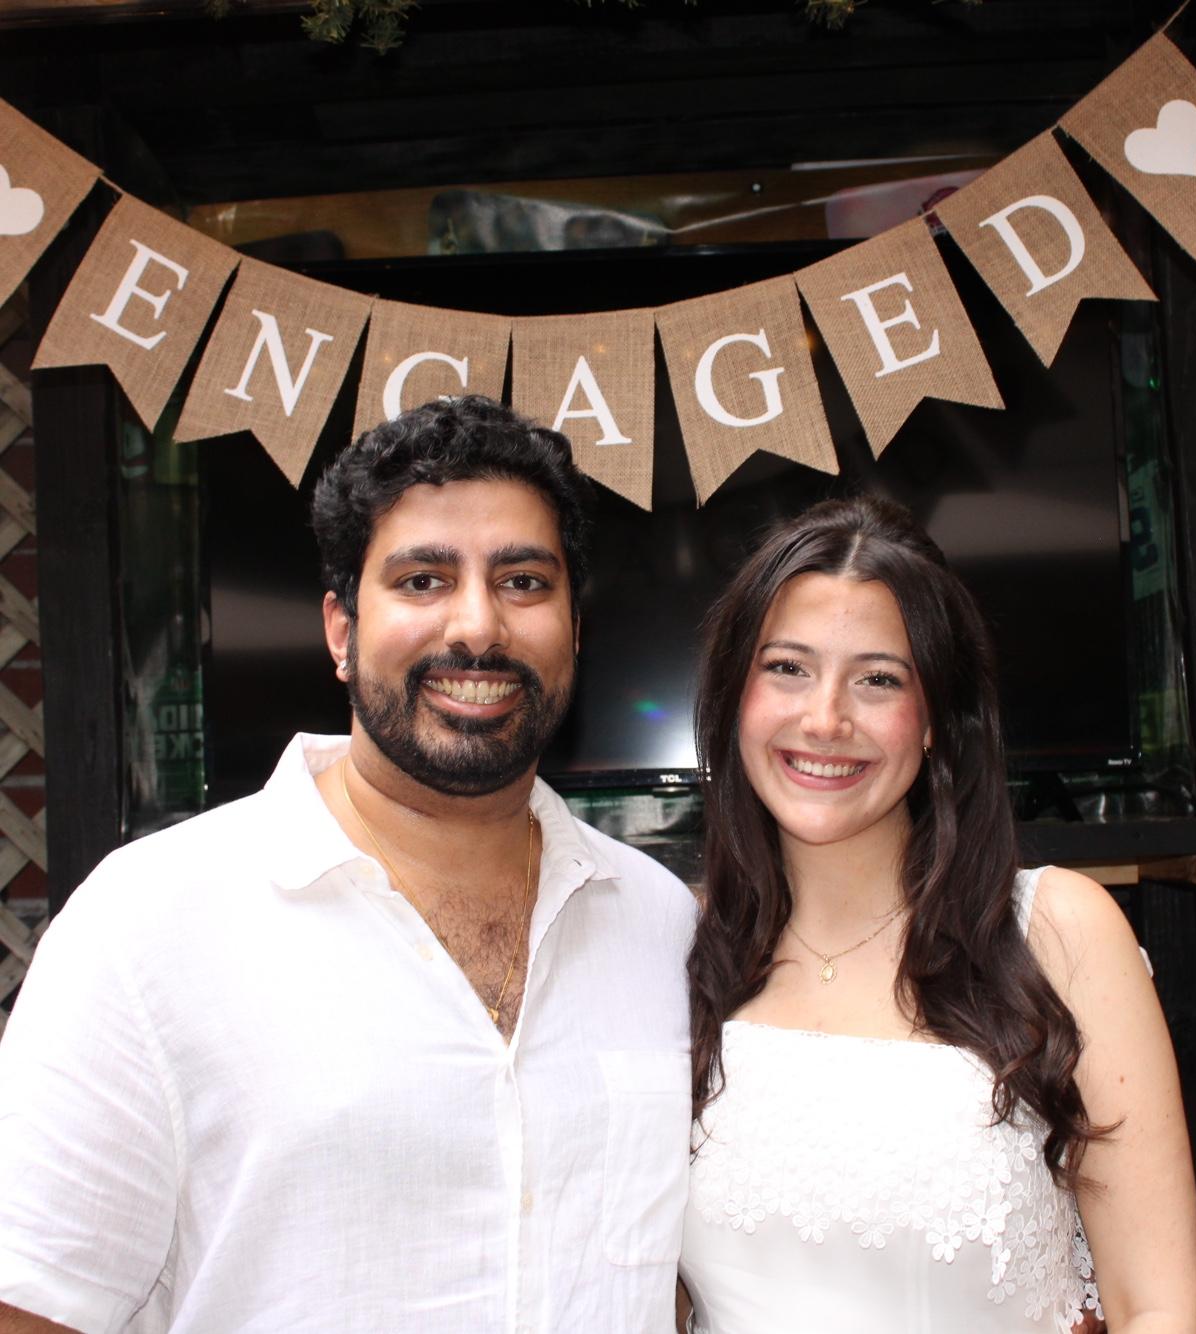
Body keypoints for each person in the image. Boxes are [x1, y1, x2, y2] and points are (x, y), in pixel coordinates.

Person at [0, 396, 696, 1334]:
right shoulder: (146, 925)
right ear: (340, 629)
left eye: (524, 581)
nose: (477, 627)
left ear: (574, 628)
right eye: (422, 580)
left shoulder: (658, 923)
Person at [678, 496, 1196, 1333]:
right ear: (733, 695)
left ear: (935, 721)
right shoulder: (675, 948)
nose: (825, 718)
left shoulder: (1057, 932)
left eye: (879, 679)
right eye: (787, 668)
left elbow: (1159, 1306)